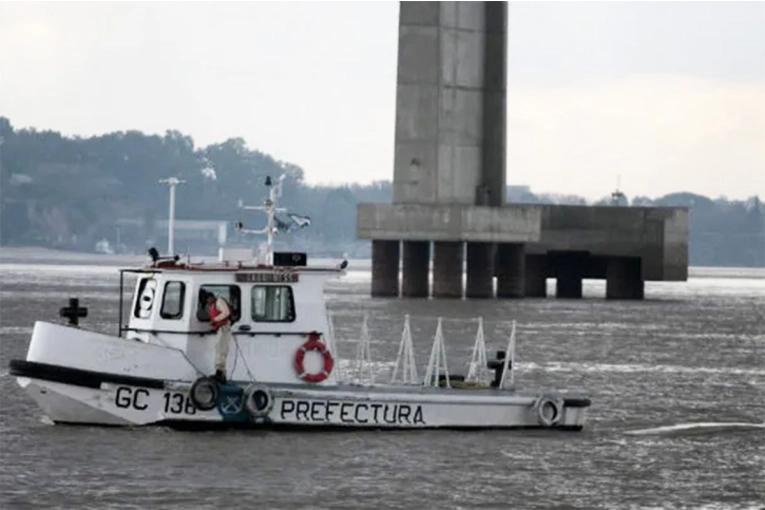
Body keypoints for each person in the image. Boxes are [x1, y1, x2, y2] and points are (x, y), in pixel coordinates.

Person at [205, 291, 232, 383]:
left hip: (224, 328)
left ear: (211, 297)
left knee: (221, 349)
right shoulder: (212, 305)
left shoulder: (219, 302)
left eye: (208, 299)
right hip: (220, 329)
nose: (207, 301)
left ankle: (219, 373)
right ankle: (221, 373)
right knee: (219, 349)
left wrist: (215, 320)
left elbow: (226, 312)